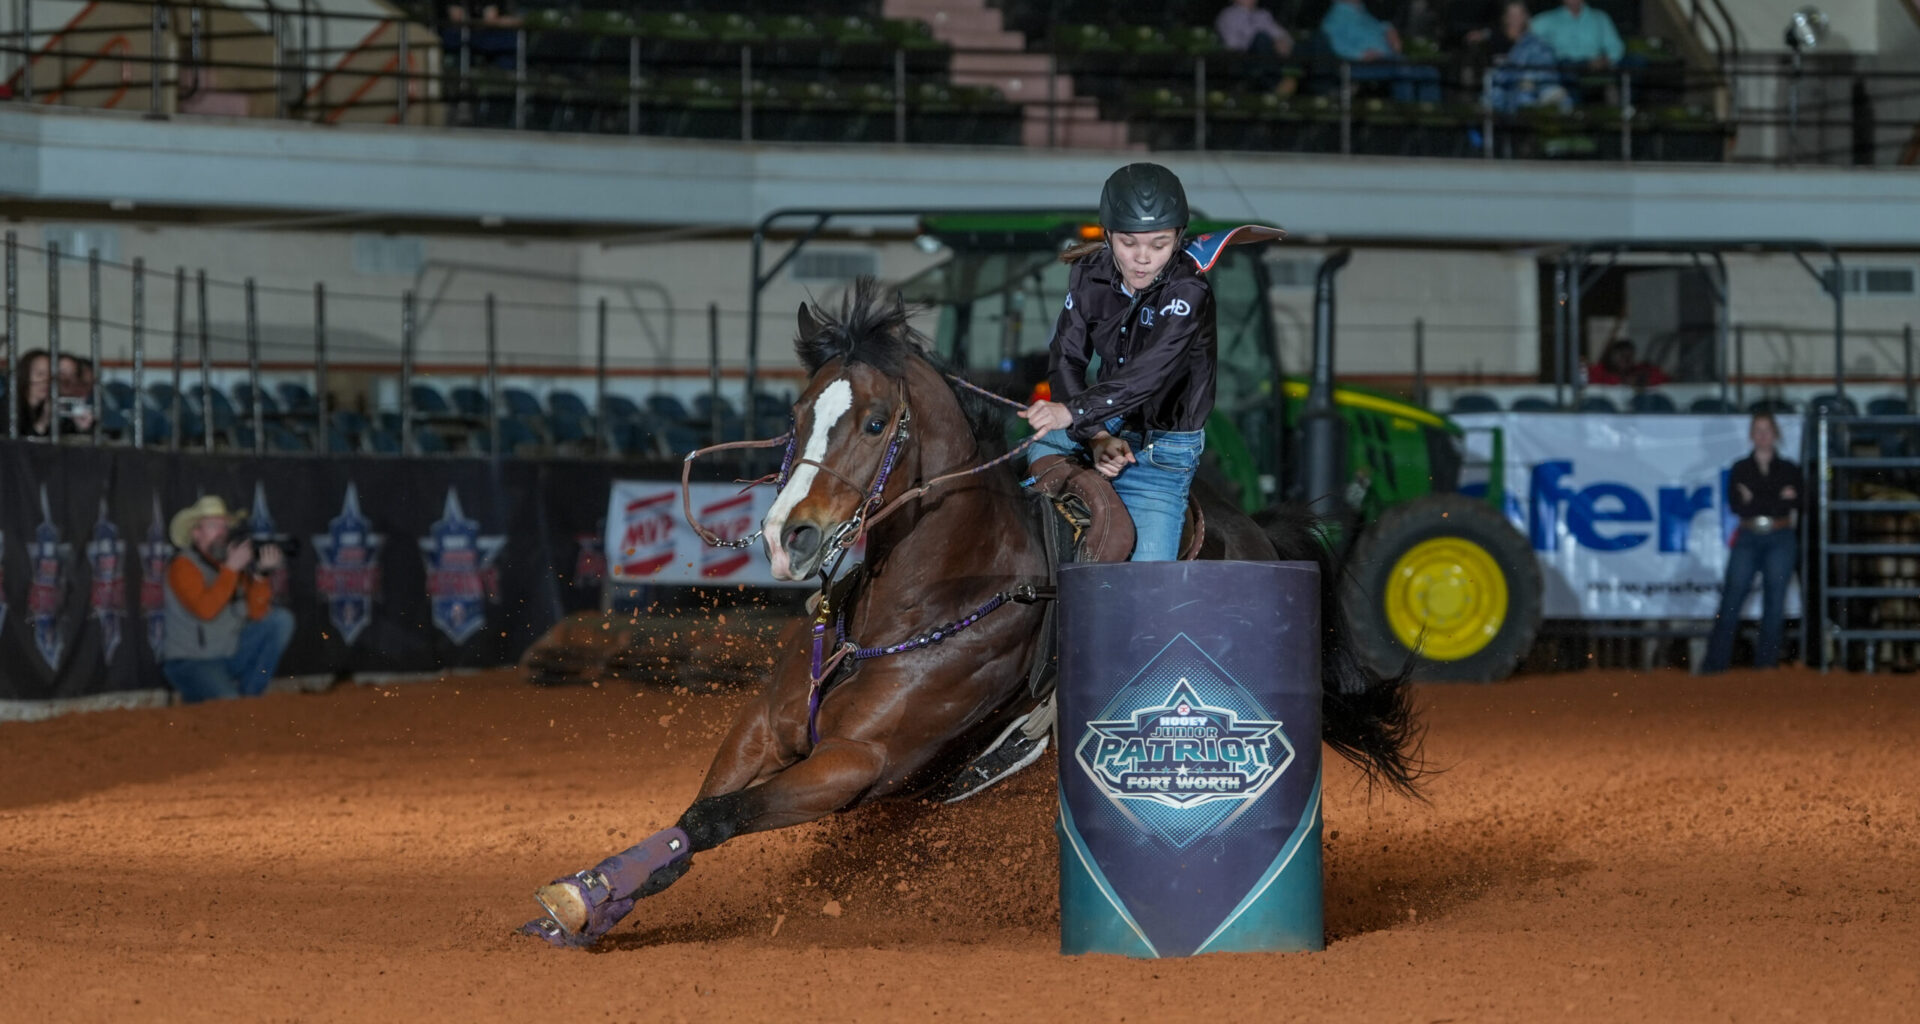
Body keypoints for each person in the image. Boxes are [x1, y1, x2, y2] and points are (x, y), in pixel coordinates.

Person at [1019, 163, 1214, 563]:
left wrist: (1071, 412)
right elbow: (1066, 357)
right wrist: (1095, 437)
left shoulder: (1189, 289)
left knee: (1146, 584)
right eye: (1128, 243)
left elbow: (1148, 374)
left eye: (1159, 245)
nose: (1142, 258)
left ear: (1178, 238)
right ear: (1108, 234)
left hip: (1164, 448)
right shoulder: (1087, 274)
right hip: (1105, 424)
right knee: (1039, 441)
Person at [162, 494, 295, 703]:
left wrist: (260, 576)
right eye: (214, 526)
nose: (222, 533)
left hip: (229, 654)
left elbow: (257, 613)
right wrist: (232, 569)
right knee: (227, 702)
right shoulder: (183, 565)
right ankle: (216, 700)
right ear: (196, 533)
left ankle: (250, 700)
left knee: (280, 621)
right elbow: (205, 610)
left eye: (225, 527)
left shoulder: (230, 566)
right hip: (191, 662)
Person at [1701, 413, 1802, 674]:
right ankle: (1714, 665)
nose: (1763, 435)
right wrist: (1776, 498)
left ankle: (1766, 665)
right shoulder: (1740, 468)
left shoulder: (1789, 468)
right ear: (1751, 435)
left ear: (1776, 434)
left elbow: (1798, 501)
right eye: (1758, 430)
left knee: (1775, 602)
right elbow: (1736, 505)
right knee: (1731, 599)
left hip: (1779, 535)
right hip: (1749, 534)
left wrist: (1755, 497)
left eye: (1767, 429)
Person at [1318, 0, 1442, 103]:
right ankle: (1405, 113)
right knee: (1402, 70)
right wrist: (1360, 55)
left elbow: (1377, 26)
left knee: (1428, 71)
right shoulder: (1335, 18)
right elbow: (1337, 46)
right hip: (1360, 64)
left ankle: (1430, 111)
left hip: (1386, 58)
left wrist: (1389, 29)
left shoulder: (1360, 11)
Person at [1488, 2, 1573, 113]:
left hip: (1532, 90)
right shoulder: (1496, 40)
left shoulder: (1534, 43)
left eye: (1519, 14)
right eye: (1512, 15)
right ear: (1505, 18)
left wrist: (1530, 81)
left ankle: (1546, 96)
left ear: (1526, 17)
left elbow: (1546, 66)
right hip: (1504, 95)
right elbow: (1494, 78)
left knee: (1559, 98)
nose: (1516, 19)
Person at [1216, 0, 1294, 93]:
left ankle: (1294, 79)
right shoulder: (1228, 15)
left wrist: (1282, 41)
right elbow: (1232, 44)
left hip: (1269, 55)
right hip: (1243, 59)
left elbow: (1282, 34)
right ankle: (1277, 83)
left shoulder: (1263, 15)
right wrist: (1261, 40)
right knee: (1261, 38)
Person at [14, 348, 94, 438]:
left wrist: (80, 428)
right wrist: (43, 423)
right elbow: (16, 447)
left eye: (51, 375)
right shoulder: (9, 409)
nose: (47, 380)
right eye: (40, 374)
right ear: (25, 374)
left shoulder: (52, 406)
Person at [1529, 0, 1625, 69]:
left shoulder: (1599, 18)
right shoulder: (1547, 19)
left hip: (1592, 66)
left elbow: (1615, 46)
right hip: (1563, 68)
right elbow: (1526, 35)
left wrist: (1606, 60)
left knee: (1635, 62)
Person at [1586, 339, 1669, 388]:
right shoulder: (1598, 371)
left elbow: (1666, 381)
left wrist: (1642, 381)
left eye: (1629, 356)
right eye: (1622, 355)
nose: (1626, 360)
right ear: (1611, 356)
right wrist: (1623, 382)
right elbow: (1593, 386)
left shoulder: (1641, 370)